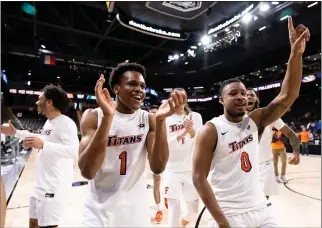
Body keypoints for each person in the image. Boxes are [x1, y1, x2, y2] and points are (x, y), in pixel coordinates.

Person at [192, 17, 309, 228]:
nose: (241, 97)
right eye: (233, 93)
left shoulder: (256, 120)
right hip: (230, 213)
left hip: (261, 210)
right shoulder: (211, 129)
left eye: (244, 93)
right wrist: (221, 221)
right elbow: (199, 179)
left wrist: (296, 54)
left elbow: (288, 95)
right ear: (221, 100)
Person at [78, 63, 187, 227]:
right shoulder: (94, 116)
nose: (139, 90)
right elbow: (87, 171)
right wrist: (108, 117)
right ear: (116, 88)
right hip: (98, 214)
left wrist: (161, 120)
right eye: (132, 84)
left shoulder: (148, 119)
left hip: (136, 213)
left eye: (142, 86)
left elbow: (158, 167)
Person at [0, 85, 79, 228]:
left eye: (39, 99)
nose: (36, 102)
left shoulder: (66, 123)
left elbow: (73, 151)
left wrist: (43, 145)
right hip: (40, 184)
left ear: (49, 102)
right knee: (33, 223)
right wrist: (16, 133)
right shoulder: (49, 122)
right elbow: (41, 138)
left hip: (53, 187)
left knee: (48, 226)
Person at [246, 88, 300, 196]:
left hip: (263, 166)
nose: (248, 96)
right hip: (244, 167)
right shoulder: (237, 119)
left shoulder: (269, 116)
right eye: (246, 95)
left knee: (262, 200)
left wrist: (296, 153)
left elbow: (291, 134)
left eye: (251, 95)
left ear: (257, 99)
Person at [163, 88, 203, 227]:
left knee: (193, 211)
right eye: (176, 96)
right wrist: (182, 133)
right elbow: (163, 146)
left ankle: (182, 223)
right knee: (174, 209)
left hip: (191, 169)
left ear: (186, 99)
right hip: (171, 169)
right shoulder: (165, 119)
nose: (180, 99)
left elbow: (201, 143)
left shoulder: (196, 116)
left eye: (183, 96)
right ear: (171, 99)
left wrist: (192, 131)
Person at [147, 105, 164, 223]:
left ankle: (167, 197)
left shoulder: (164, 124)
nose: (153, 114)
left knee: (166, 186)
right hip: (150, 161)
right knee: (156, 183)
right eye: (151, 113)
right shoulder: (145, 126)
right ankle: (159, 210)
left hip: (167, 159)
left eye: (155, 112)